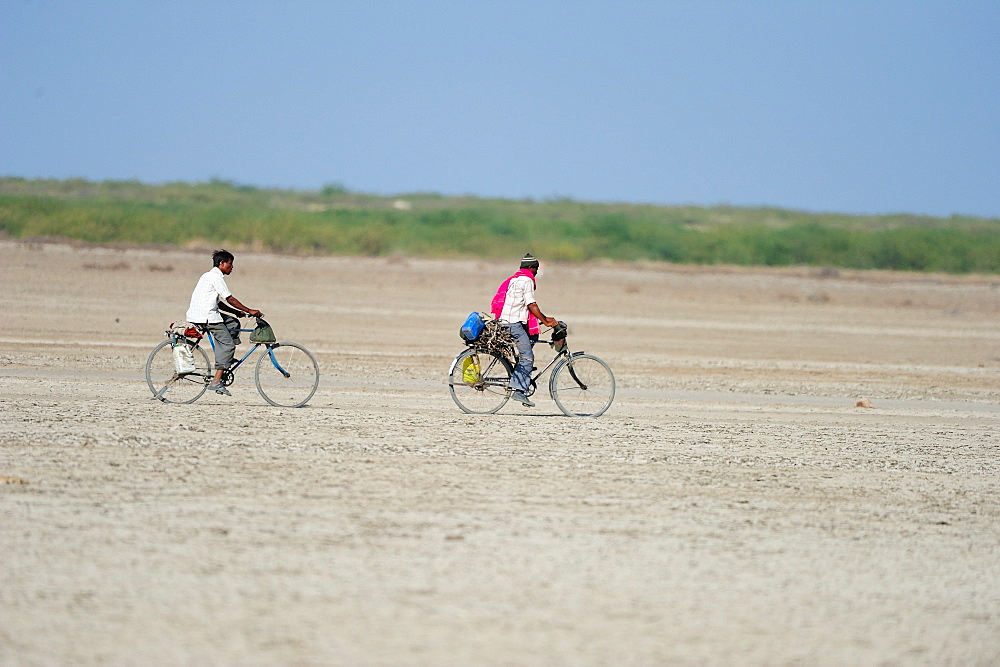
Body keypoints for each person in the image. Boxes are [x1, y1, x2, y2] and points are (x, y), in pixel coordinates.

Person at [186, 249, 262, 396]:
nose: (232, 267)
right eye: (230, 264)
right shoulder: (216, 277)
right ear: (222, 263)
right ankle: (216, 382)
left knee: (233, 323)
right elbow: (229, 298)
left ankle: (225, 358)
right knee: (228, 345)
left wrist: (236, 313)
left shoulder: (207, 276)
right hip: (206, 317)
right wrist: (249, 310)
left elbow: (218, 302)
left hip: (202, 313)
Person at [492, 253, 558, 407]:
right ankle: (519, 390)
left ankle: (520, 371)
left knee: (532, 338)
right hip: (513, 323)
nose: (536, 272)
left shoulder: (514, 279)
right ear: (530, 268)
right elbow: (531, 304)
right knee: (527, 356)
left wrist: (543, 320)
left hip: (506, 320)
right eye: (536, 269)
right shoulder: (527, 280)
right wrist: (545, 320)